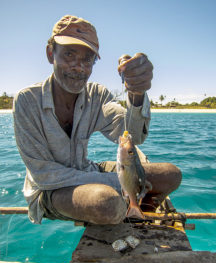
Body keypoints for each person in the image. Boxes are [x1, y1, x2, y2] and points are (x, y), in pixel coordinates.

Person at [13, 15, 182, 225]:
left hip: (88, 171)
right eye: (69, 55)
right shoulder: (27, 100)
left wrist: (137, 94)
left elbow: (133, 136)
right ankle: (127, 206)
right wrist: (117, 181)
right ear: (50, 54)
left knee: (170, 174)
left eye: (87, 59)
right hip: (50, 191)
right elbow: (44, 175)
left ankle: (137, 214)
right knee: (106, 203)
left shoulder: (97, 95)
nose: (79, 67)